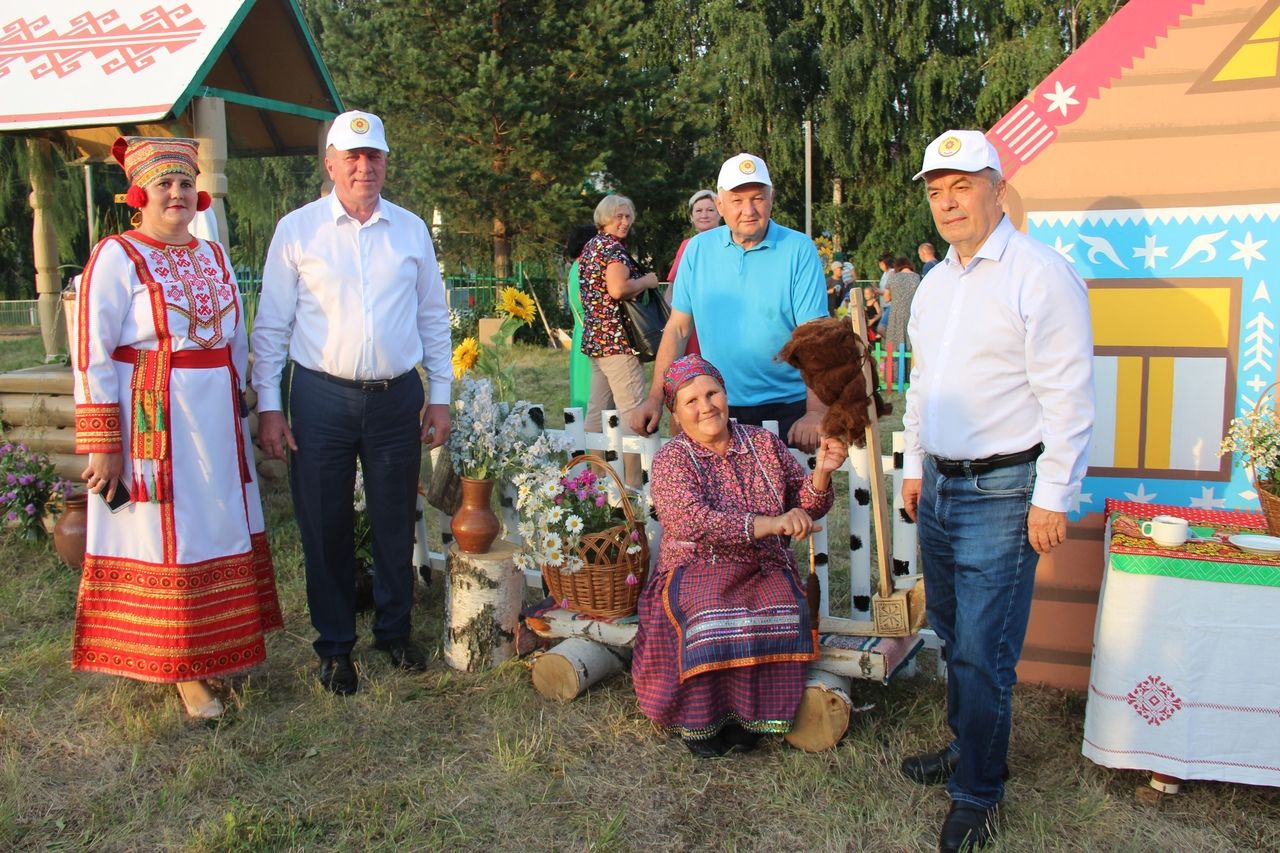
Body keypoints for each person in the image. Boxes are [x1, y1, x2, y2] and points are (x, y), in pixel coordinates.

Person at [899, 130, 1094, 852]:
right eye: (935, 191)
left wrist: (1054, 495)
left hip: (1006, 490)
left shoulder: (1039, 274)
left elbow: (1069, 394)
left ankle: (978, 791)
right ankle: (971, 744)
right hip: (942, 488)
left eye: (962, 186)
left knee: (984, 649)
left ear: (997, 188)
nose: (947, 202)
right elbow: (923, 386)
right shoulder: (936, 283)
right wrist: (915, 465)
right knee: (952, 633)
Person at [71, 136, 282, 719]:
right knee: (171, 534)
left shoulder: (212, 256)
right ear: (139, 193)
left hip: (215, 416)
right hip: (153, 420)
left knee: (218, 526)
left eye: (186, 183)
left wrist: (250, 397)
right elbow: (90, 352)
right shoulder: (118, 255)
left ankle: (215, 649)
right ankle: (182, 666)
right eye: (164, 183)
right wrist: (103, 441)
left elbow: (236, 337)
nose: (177, 193)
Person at [252, 110, 451, 696]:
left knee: (394, 522)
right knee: (324, 525)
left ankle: (394, 633)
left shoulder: (412, 230)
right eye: (353, 157)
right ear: (331, 163)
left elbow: (434, 319)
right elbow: (271, 328)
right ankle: (335, 646)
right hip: (320, 397)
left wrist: (439, 396)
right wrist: (270, 405)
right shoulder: (298, 230)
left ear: (386, 162)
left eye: (375, 157)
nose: (365, 167)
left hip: (396, 400)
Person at [631, 355, 847, 757]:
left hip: (762, 564)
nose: (706, 406)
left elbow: (805, 506)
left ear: (726, 394)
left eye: (712, 393)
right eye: (691, 400)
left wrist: (822, 473)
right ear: (675, 414)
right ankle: (701, 721)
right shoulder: (673, 458)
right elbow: (690, 522)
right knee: (710, 610)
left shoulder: (762, 443)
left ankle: (750, 715)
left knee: (780, 604)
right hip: (695, 565)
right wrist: (771, 524)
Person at [630, 153, 828, 450]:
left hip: (787, 408)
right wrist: (656, 397)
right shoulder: (697, 250)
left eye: (758, 198)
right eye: (736, 201)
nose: (748, 210)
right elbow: (678, 330)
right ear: (720, 205)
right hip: (716, 407)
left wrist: (815, 412)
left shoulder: (799, 249)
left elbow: (814, 336)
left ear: (771, 198)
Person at [578, 194, 661, 485]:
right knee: (634, 412)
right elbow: (617, 289)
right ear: (605, 218)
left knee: (597, 410)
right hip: (617, 342)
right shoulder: (612, 248)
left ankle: (593, 479)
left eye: (628, 216)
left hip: (596, 341)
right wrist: (647, 281)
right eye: (618, 216)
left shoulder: (590, 247)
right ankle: (635, 486)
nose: (624, 221)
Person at [664, 189, 722, 356]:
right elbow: (672, 288)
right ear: (691, 217)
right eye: (699, 210)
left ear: (720, 213)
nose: (704, 215)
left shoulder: (732, 244)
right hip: (693, 321)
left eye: (710, 210)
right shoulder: (687, 245)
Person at [564, 223, 597, 413]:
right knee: (590, 398)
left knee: (582, 395)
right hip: (590, 338)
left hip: (580, 335)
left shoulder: (575, 267)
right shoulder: (585, 268)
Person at [884, 256, 921, 354]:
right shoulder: (917, 277)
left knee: (894, 347)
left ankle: (895, 368)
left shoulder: (893, 278)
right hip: (911, 314)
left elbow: (886, 298)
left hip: (896, 316)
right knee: (912, 345)